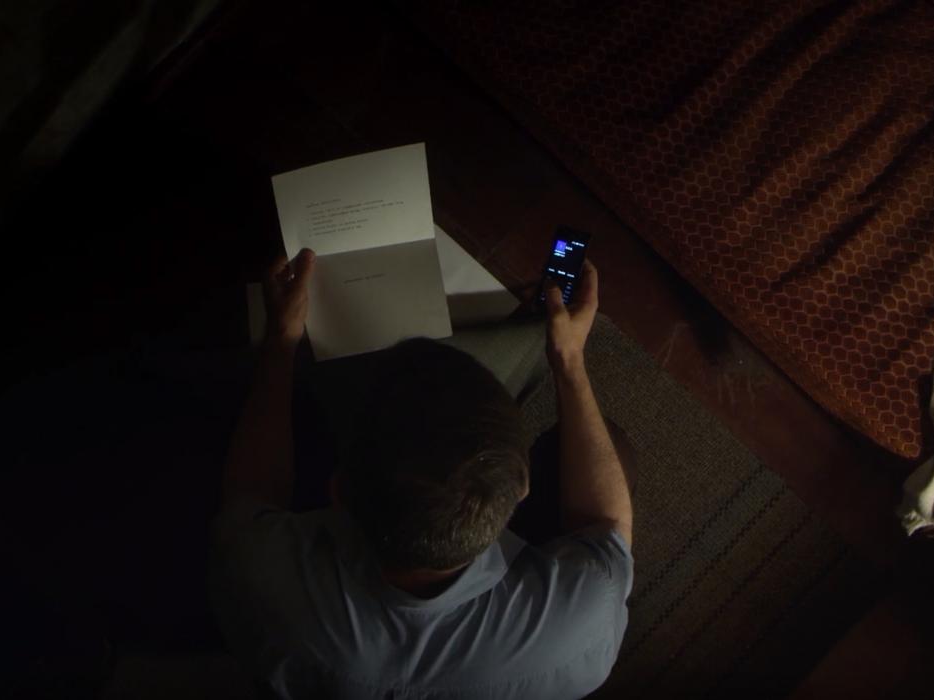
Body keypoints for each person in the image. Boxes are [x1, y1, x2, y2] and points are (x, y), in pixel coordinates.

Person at [210, 247, 634, 699]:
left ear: (338, 491)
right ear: (521, 488)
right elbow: (605, 527)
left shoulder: (259, 583)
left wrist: (280, 341)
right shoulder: (585, 621)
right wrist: (569, 361)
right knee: (611, 446)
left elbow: (249, 496)